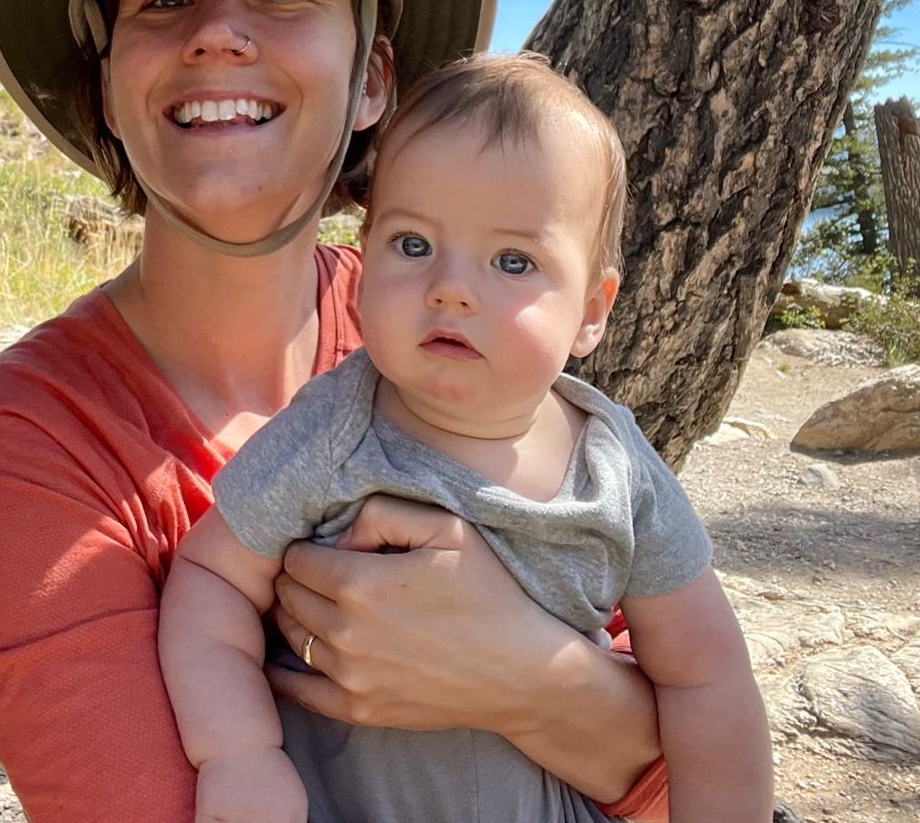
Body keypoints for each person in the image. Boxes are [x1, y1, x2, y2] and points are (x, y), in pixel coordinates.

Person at [0, 0, 675, 823]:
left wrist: (522, 678)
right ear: (104, 87)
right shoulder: (19, 440)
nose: (220, 35)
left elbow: (679, 780)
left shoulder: (458, 337)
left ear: (371, 81)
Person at [160, 53, 771, 823]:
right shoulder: (335, 429)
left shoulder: (614, 473)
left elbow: (708, 680)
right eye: (412, 245)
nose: (449, 287)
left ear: (591, 309)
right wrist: (238, 752)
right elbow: (210, 583)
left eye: (513, 261)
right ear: (360, 263)